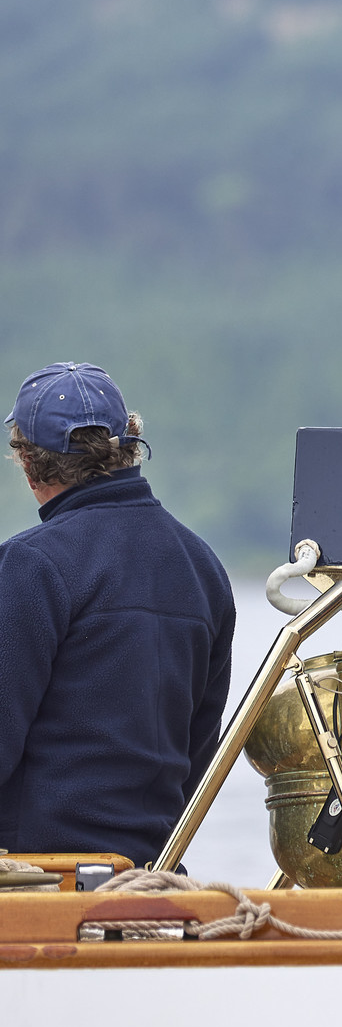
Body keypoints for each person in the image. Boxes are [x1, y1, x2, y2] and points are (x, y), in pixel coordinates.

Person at [0, 362, 234, 867]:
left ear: (28, 462)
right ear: (129, 444)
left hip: (40, 884)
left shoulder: (30, 564)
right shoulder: (204, 568)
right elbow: (199, 753)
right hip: (154, 877)